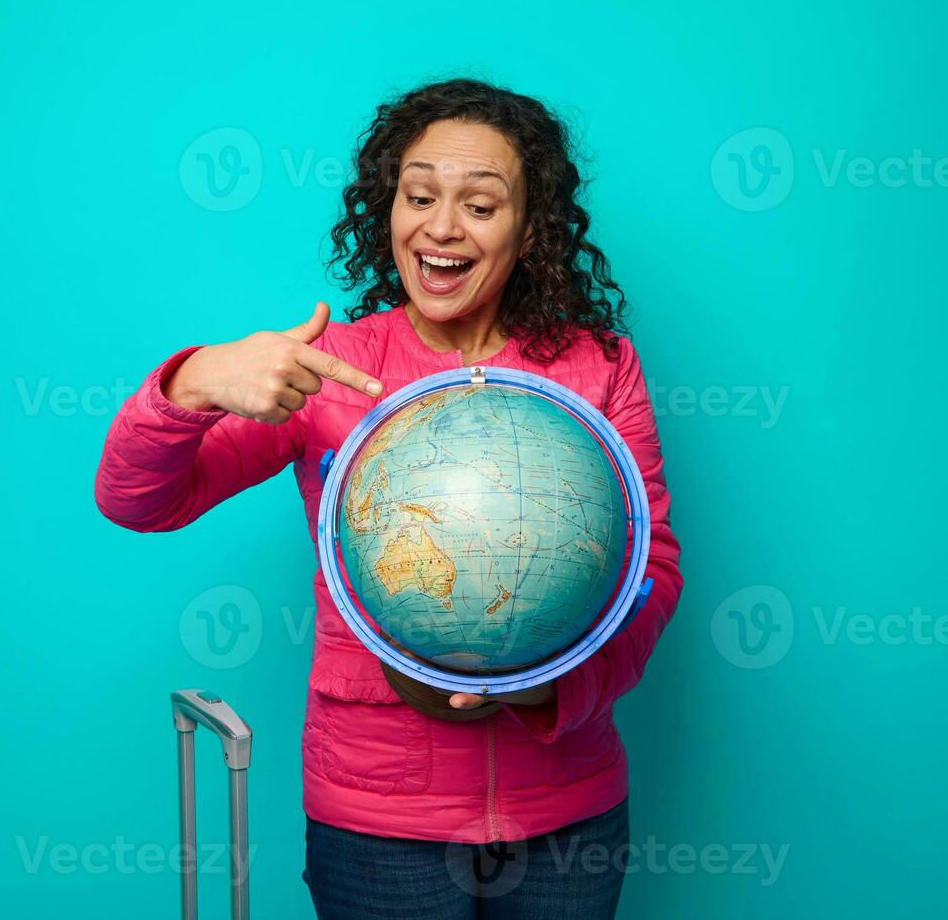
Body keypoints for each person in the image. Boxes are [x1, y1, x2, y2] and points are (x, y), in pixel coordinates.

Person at [94, 78, 683, 919]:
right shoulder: (324, 367)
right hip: (380, 826)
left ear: (530, 229)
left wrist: (546, 693)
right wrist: (189, 385)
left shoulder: (597, 366)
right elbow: (137, 501)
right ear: (388, 209)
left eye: (480, 205)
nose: (441, 228)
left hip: (568, 818)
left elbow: (650, 569)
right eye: (418, 197)